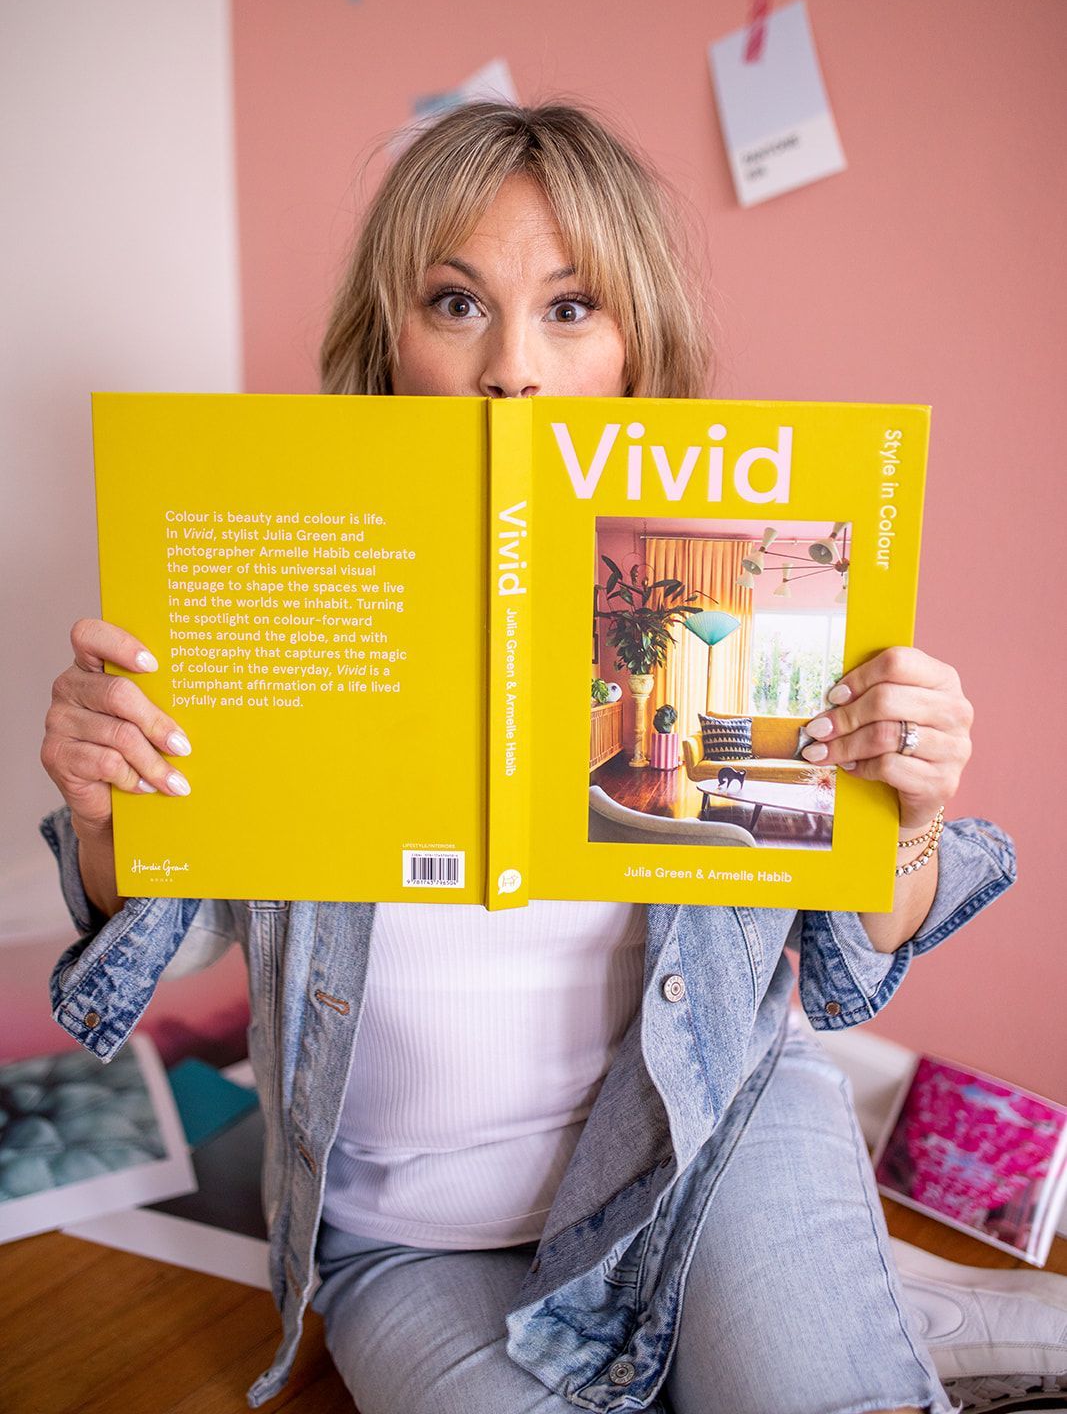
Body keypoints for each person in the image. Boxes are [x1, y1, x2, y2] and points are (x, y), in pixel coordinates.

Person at [40, 101, 1017, 1414]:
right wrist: (110, 812)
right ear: (388, 339)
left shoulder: (718, 561)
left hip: (709, 1140)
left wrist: (900, 818)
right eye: (456, 303)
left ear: (638, 345)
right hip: (408, 1233)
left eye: (570, 308)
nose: (511, 368)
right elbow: (170, 929)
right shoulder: (281, 557)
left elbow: (850, 960)